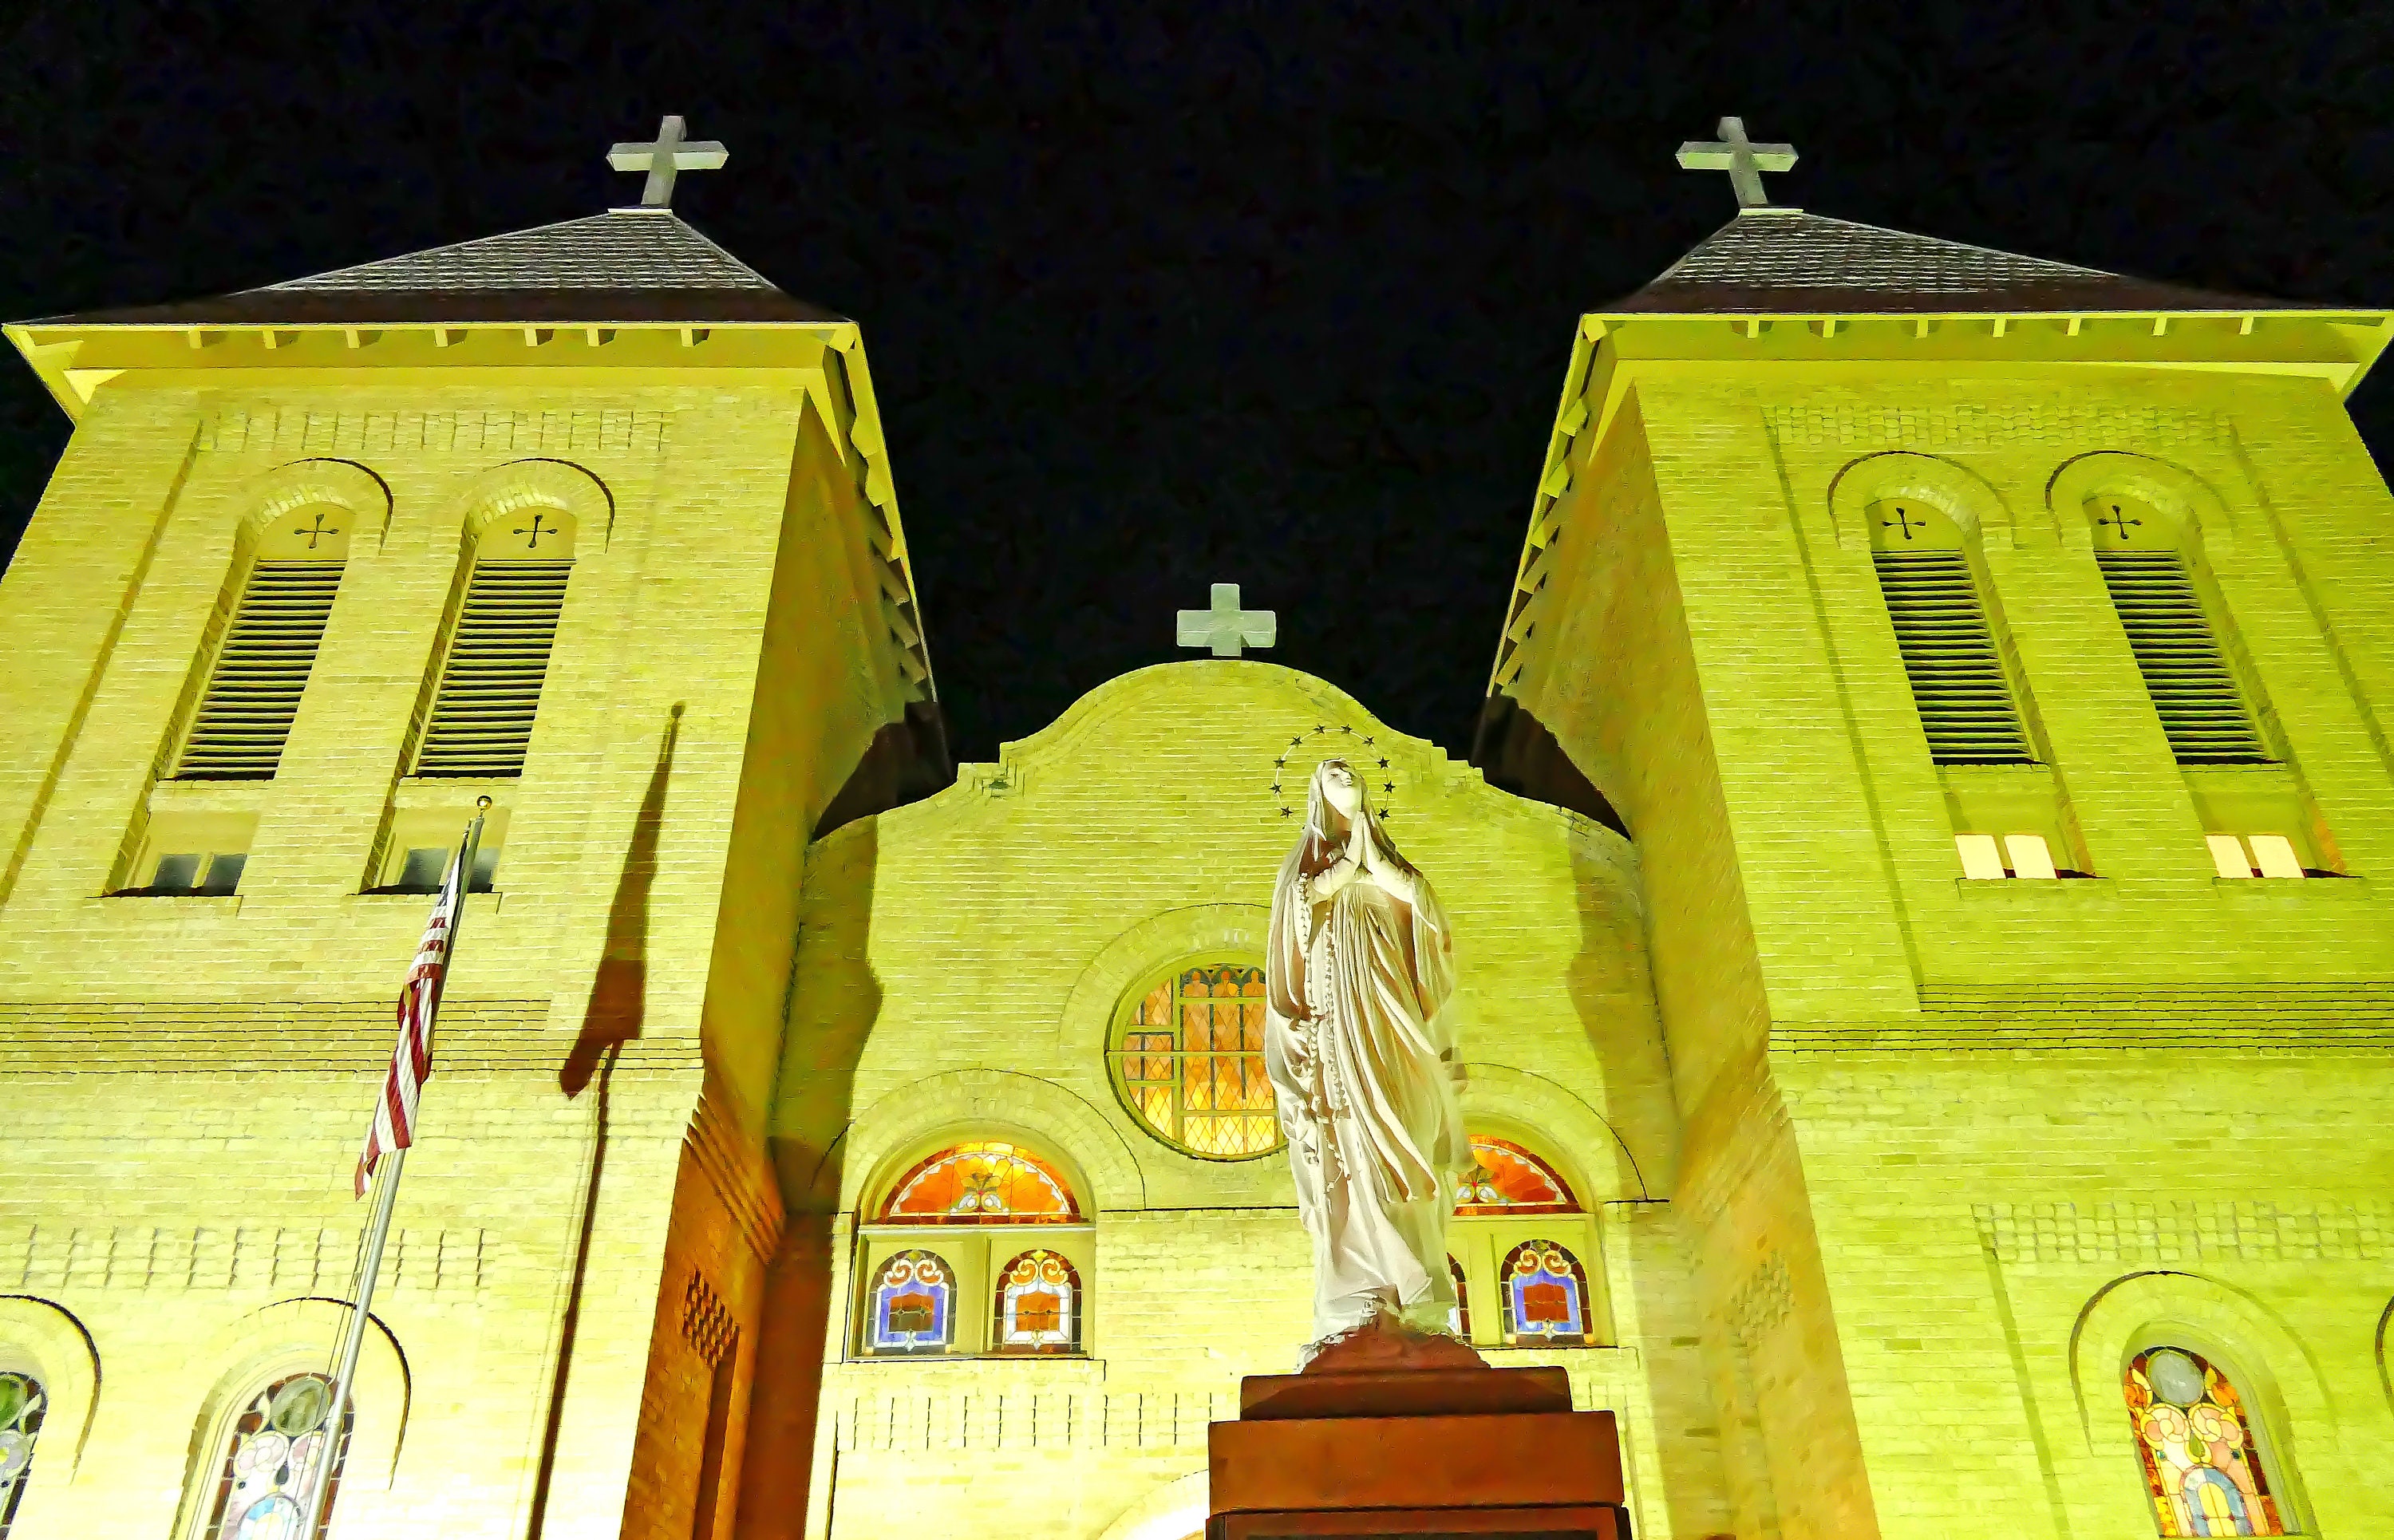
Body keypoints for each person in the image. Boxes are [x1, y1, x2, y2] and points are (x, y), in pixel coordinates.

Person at [1264, 757, 1468, 1350]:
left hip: (1389, 1012)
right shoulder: (1307, 865)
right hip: (1337, 1018)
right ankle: (1358, 1290)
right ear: (1315, 792)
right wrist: (1346, 865)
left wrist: (1373, 861)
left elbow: (1426, 921)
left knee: (1403, 1133)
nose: (1343, 776)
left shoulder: (1389, 862)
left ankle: (1420, 1288)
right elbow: (1291, 929)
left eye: (1350, 771)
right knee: (1348, 1140)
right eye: (1331, 773)